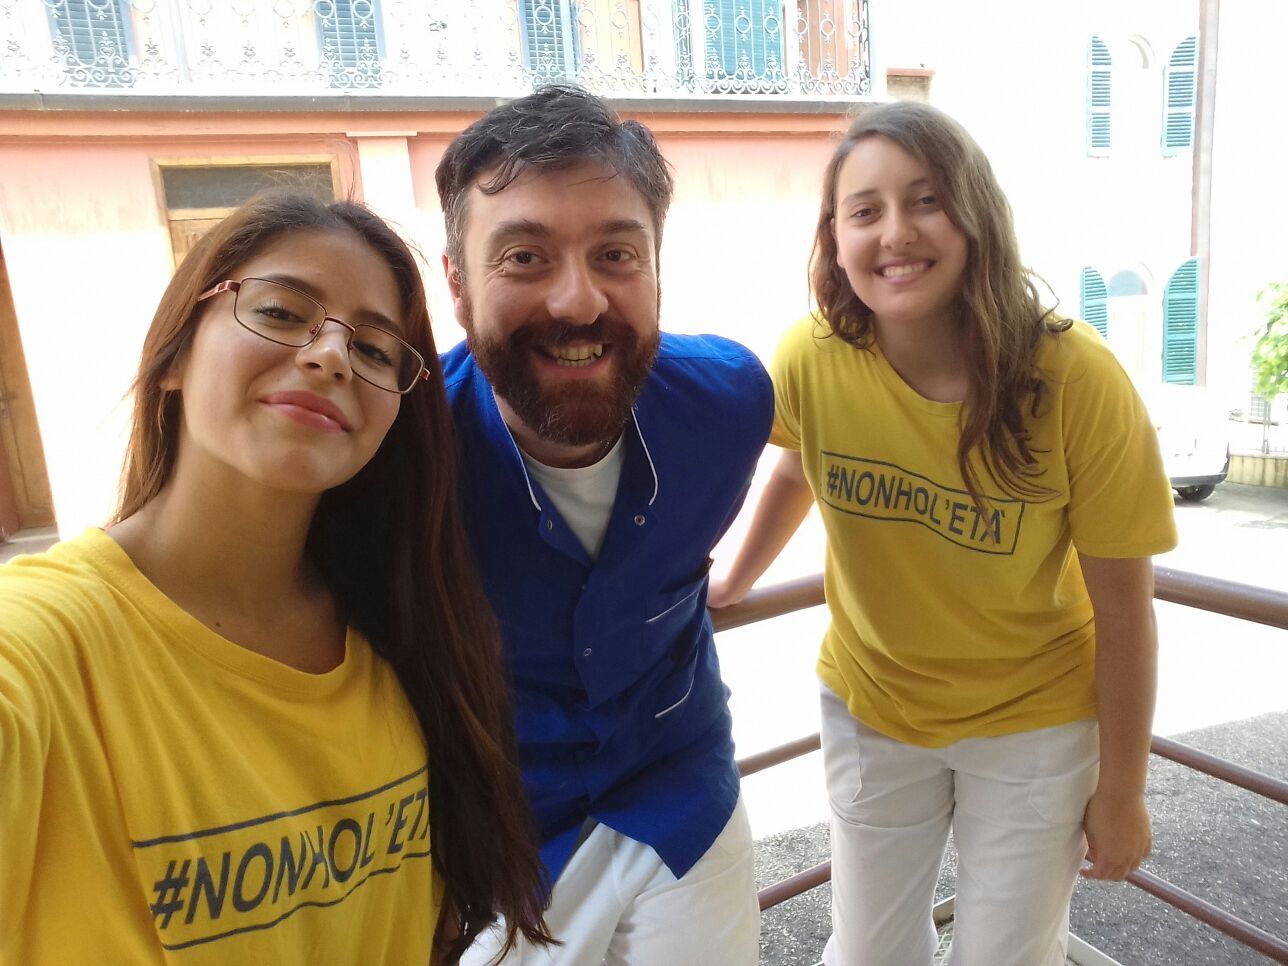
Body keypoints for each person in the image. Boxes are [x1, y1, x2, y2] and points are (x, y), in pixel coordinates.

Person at [0, 192, 550, 964]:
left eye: (375, 351)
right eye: (282, 312)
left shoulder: (409, 636)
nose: (330, 356)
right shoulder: (42, 643)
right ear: (175, 355)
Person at [709, 101, 1178, 966]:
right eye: (865, 210)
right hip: (872, 706)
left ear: (975, 216)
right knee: (870, 952)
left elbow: (1125, 612)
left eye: (926, 200)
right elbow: (796, 466)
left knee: (1006, 954)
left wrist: (1123, 791)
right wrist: (733, 580)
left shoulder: (1074, 378)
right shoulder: (813, 355)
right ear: (835, 238)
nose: (896, 232)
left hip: (1035, 720)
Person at [434, 85, 773, 964]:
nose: (578, 301)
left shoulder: (730, 404)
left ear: (658, 268)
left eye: (616, 253)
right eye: (524, 257)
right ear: (458, 284)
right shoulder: (401, 453)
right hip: (499, 844)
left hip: (682, 797)